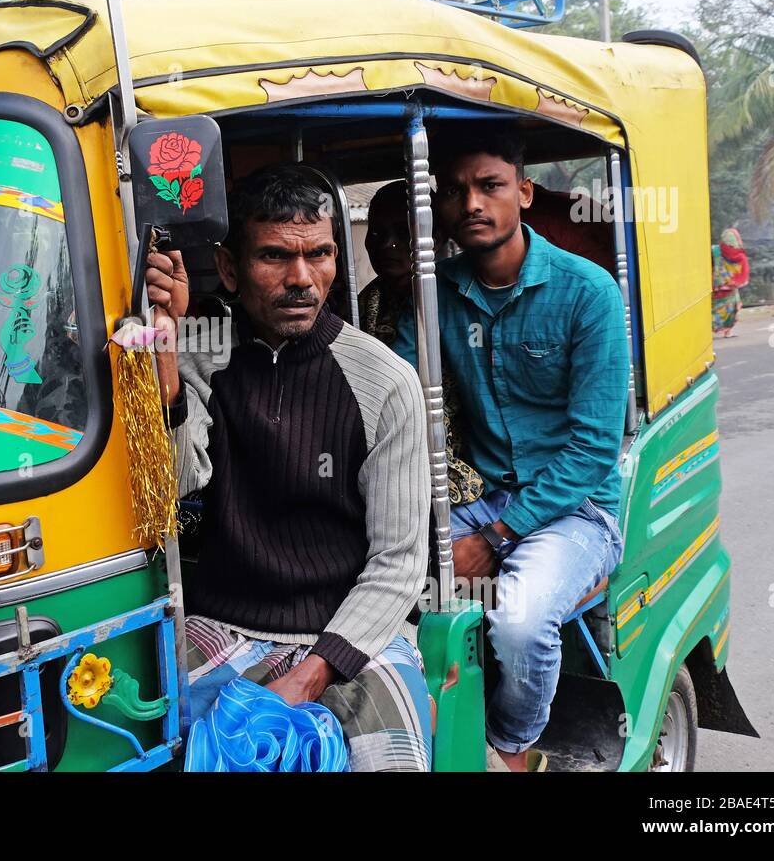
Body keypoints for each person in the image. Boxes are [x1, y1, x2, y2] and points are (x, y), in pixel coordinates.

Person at [146, 163, 434, 772]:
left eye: (319, 255)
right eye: (274, 257)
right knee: (145, 743)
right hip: (222, 623)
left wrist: (310, 675)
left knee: (394, 761)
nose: (301, 279)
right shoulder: (201, 357)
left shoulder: (387, 382)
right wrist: (166, 357)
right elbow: (172, 489)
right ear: (229, 268)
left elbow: (399, 565)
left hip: (354, 633)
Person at [393, 132, 628, 772]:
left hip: (578, 511)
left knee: (520, 622)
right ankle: (421, 734)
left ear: (523, 193)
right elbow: (402, 403)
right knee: (380, 580)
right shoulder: (431, 295)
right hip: (484, 497)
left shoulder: (588, 292)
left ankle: (513, 749)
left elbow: (593, 451)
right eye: (456, 191)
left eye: (490, 185)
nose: (472, 202)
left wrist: (496, 537)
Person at [360, 181, 485, 506]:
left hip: (462, 473)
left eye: (404, 233)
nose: (388, 246)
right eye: (377, 235)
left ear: (437, 237)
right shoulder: (357, 306)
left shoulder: (465, 301)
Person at [712, 227, 749, 338]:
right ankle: (727, 331)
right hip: (731, 288)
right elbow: (744, 271)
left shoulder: (715, 250)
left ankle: (710, 329)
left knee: (713, 310)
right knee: (732, 309)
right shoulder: (740, 256)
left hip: (715, 286)